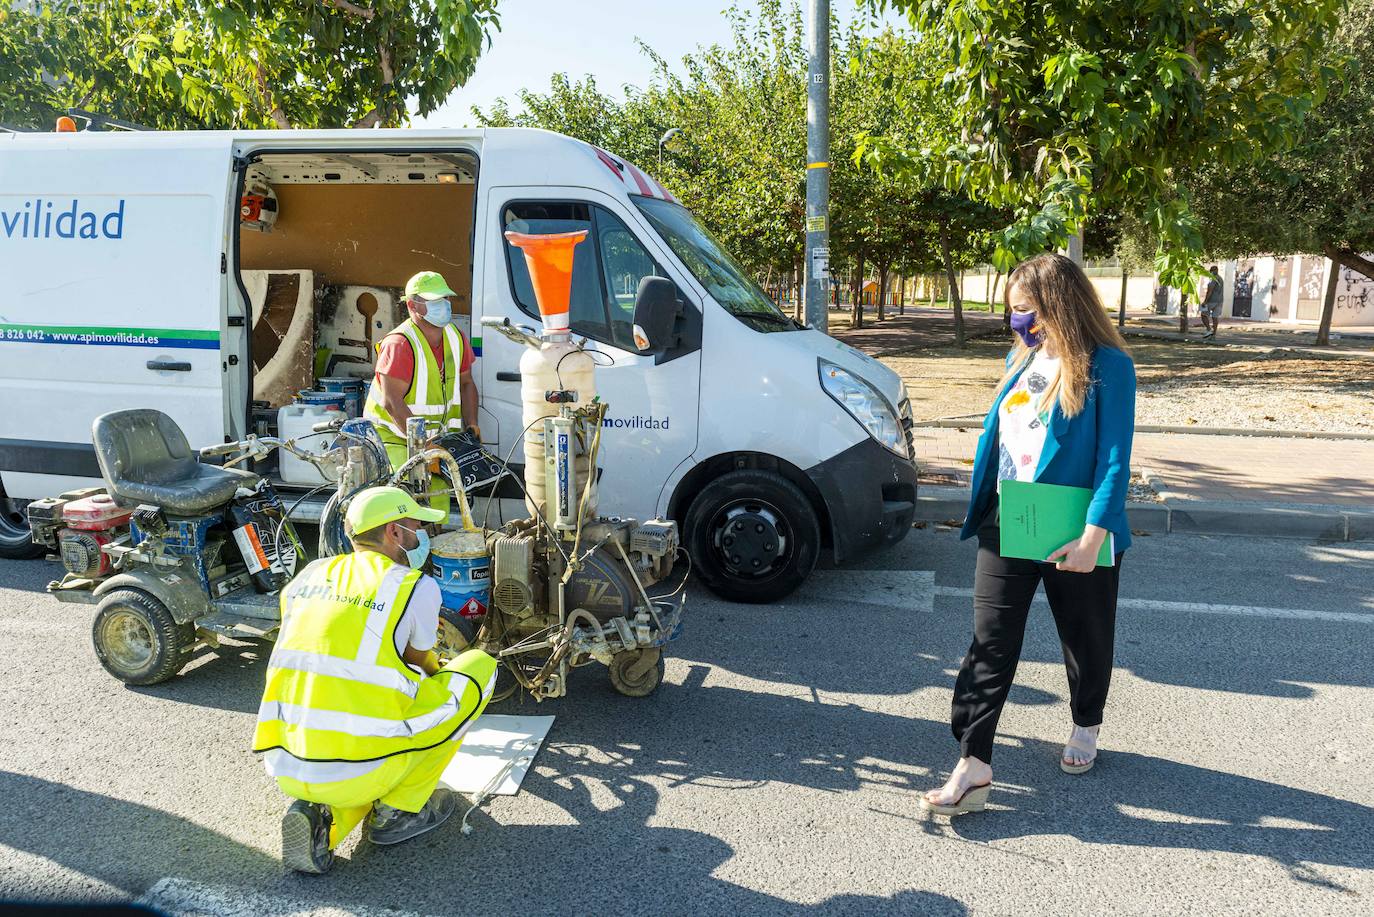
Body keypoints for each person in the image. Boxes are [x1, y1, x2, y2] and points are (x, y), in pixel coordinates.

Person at [921, 253, 1136, 817]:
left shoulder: (1109, 365)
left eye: (1024, 309)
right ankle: (973, 762)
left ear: (1058, 306)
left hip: (1074, 526)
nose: (1015, 320)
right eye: (1014, 310)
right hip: (1009, 520)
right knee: (988, 640)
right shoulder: (1024, 359)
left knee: (1084, 636)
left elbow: (1115, 459)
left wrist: (1093, 536)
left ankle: (1086, 722)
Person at [253, 486, 497, 873]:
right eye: (416, 528)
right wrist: (442, 675)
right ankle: (397, 812)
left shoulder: (309, 576)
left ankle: (321, 825)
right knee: (478, 669)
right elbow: (421, 662)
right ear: (394, 534)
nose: (421, 539)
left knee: (350, 755)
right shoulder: (413, 585)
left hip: (288, 761)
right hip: (363, 762)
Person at [363, 271, 480, 513]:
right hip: (392, 442)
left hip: (434, 444)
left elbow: (467, 383)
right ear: (412, 305)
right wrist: (424, 446)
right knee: (407, 507)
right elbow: (392, 402)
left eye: (445, 299)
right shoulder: (399, 344)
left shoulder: (455, 337)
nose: (444, 306)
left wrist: (472, 423)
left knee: (438, 507)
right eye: (435, 301)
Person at [1198, 265, 1223, 339]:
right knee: (1215, 317)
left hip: (1211, 301)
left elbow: (1210, 290)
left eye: (1211, 271)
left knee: (1203, 314)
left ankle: (1209, 330)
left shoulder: (1213, 278)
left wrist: (1205, 301)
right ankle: (1214, 334)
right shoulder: (1221, 279)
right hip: (1220, 301)